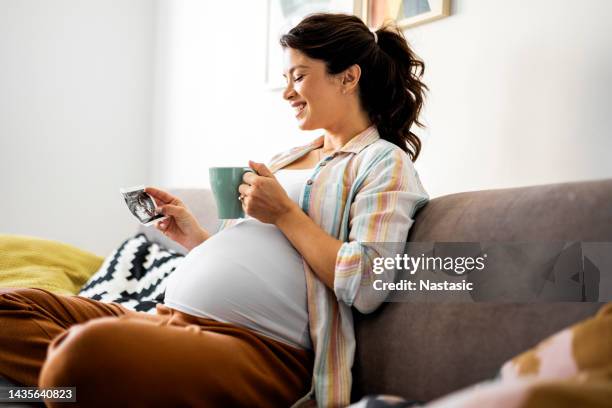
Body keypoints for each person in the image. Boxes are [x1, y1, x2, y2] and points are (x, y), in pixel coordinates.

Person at [0, 13, 429, 407]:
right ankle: (88, 387)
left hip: (258, 349)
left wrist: (284, 213)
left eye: (298, 76)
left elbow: (368, 284)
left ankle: (76, 382)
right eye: (285, 77)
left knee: (81, 356)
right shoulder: (286, 158)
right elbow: (255, 256)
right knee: (9, 307)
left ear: (348, 77)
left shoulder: (382, 163)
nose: (287, 92)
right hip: (164, 320)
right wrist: (195, 239)